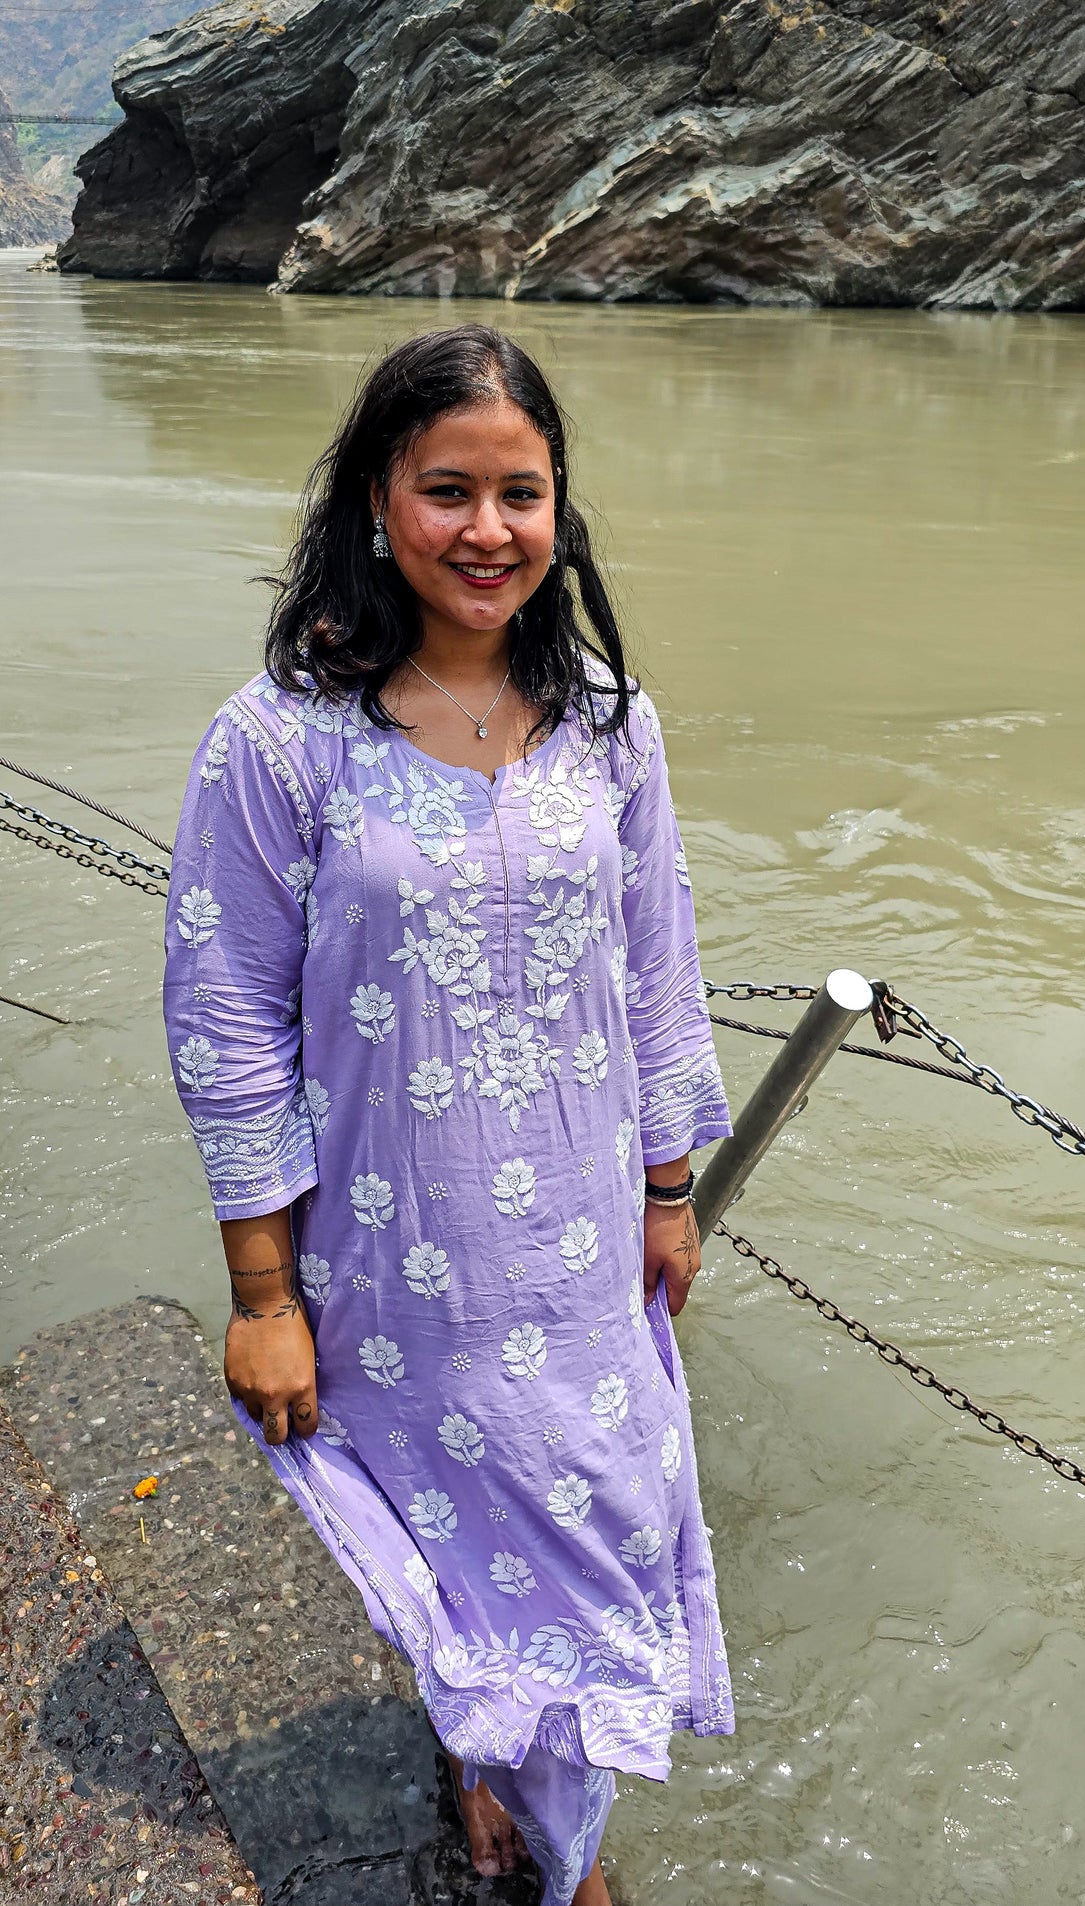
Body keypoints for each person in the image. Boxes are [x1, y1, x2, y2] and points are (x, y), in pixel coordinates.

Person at [163, 326, 735, 1905]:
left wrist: (670, 1190)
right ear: (376, 499)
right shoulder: (280, 741)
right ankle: (539, 1822)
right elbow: (226, 1023)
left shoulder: (611, 724)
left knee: (599, 1532)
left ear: (560, 510)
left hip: (579, 1258)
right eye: (448, 491)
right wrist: (263, 1294)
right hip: (396, 1268)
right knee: (450, 1543)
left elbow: (659, 973)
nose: (489, 530)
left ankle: (536, 1800)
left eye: (520, 494)